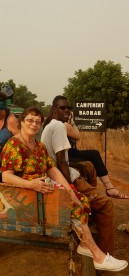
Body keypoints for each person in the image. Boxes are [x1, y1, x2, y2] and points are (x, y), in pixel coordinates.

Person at [0, 106, 128, 272]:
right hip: (28, 191)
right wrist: (31, 184)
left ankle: (84, 243)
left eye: (37, 121)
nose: (33, 124)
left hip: (44, 187)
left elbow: (53, 170)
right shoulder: (13, 145)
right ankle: (98, 256)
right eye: (30, 120)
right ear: (22, 122)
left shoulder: (39, 146)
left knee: (80, 200)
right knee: (72, 206)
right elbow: (6, 176)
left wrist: (70, 191)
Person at [41, 96, 118, 255]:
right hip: (64, 177)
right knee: (106, 204)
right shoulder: (58, 126)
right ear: (54, 109)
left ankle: (91, 214)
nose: (67, 110)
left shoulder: (50, 125)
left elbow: (61, 159)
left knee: (89, 167)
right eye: (63, 108)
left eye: (69, 108)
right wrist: (71, 189)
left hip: (58, 174)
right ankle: (104, 254)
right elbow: (62, 161)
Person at [65, 114, 129, 199]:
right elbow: (77, 136)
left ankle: (107, 188)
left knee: (93, 156)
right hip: (67, 154)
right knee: (93, 156)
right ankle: (107, 188)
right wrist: (72, 123)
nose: (66, 112)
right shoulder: (64, 125)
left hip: (70, 152)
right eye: (63, 109)